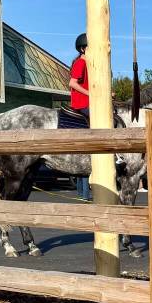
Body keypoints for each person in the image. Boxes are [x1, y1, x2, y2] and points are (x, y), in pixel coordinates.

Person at [69, 33, 92, 200]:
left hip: (86, 102)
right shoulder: (81, 62)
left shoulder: (87, 63)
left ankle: (82, 193)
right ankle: (84, 194)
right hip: (82, 104)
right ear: (83, 48)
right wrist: (91, 94)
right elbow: (72, 83)